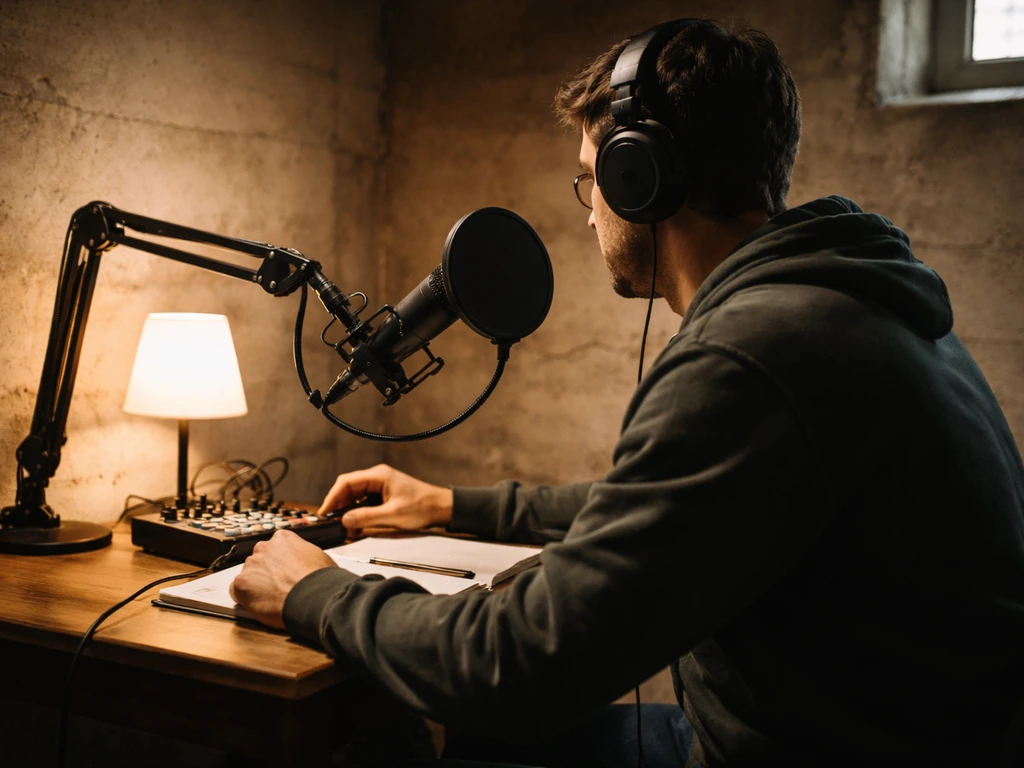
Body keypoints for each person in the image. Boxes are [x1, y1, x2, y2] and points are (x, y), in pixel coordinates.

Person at [230, 17, 1024, 768]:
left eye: (591, 180)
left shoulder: (750, 358)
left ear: (639, 176)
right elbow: (665, 507)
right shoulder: (848, 307)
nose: (588, 218)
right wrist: (450, 505)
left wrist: (317, 592)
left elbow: (520, 667)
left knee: (408, 735)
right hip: (856, 736)